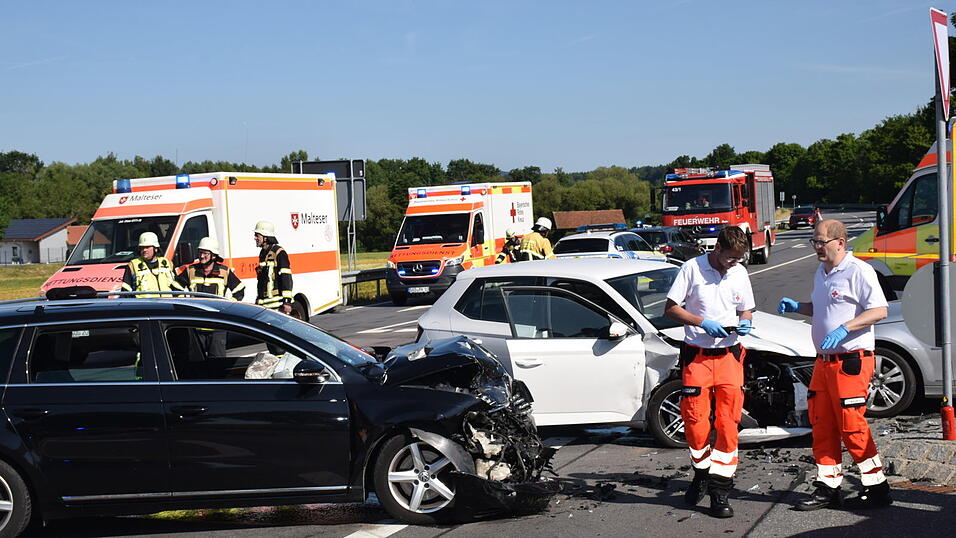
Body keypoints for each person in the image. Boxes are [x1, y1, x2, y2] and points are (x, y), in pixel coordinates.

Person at [778, 219, 890, 510]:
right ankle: (827, 487)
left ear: (840, 243)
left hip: (850, 361)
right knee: (822, 424)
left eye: (820, 242)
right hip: (824, 363)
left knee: (851, 425)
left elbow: (879, 309)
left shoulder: (859, 271)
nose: (816, 247)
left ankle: (877, 486)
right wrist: (799, 307)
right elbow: (822, 308)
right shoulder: (822, 271)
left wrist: (846, 327)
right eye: (814, 242)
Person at [664, 226, 755, 519]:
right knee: (695, 423)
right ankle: (701, 474)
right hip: (698, 357)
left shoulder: (739, 272)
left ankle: (719, 491)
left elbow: (746, 309)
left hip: (730, 355)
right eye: (730, 258)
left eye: (738, 259)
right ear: (716, 248)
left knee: (729, 424)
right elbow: (670, 309)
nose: (733, 264)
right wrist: (702, 322)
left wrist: (746, 322)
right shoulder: (692, 269)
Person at [174, 237, 245, 359]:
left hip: (217, 327)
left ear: (213, 255)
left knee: (217, 364)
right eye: (200, 252)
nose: (201, 256)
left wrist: (228, 307)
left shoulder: (224, 272)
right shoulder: (191, 270)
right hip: (196, 327)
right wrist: (185, 305)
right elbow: (175, 287)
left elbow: (239, 290)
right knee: (196, 364)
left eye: (205, 253)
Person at [120, 232, 184, 297]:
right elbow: (126, 290)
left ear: (155, 249)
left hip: (167, 304)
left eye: (147, 247)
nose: (144, 250)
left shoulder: (167, 263)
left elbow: (177, 286)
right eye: (142, 247)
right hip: (145, 305)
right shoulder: (133, 265)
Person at [254, 221, 293, 315]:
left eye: (257, 235)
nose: (255, 238)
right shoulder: (263, 253)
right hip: (266, 305)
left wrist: (287, 302)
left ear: (265, 237)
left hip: (278, 305)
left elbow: (286, 277)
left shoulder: (279, 252)